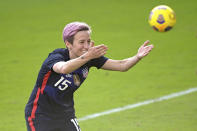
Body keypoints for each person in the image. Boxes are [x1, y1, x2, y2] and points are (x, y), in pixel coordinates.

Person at [25, 21, 154, 131]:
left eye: (88, 41)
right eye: (81, 42)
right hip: (40, 115)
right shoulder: (56, 57)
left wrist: (137, 57)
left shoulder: (91, 58)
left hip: (65, 114)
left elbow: (122, 65)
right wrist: (88, 56)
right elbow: (63, 68)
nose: (86, 46)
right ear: (68, 44)